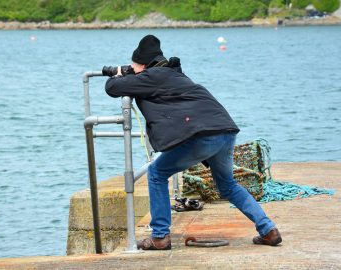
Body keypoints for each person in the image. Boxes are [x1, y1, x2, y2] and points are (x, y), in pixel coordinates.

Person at [105, 34, 282, 250]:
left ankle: (160, 236)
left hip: (203, 135)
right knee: (228, 186)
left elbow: (112, 88)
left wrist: (121, 73)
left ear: (142, 64)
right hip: (225, 130)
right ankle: (268, 230)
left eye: (135, 65)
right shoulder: (175, 74)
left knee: (157, 173)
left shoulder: (151, 76)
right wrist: (132, 72)